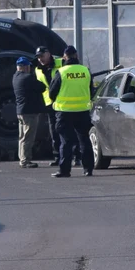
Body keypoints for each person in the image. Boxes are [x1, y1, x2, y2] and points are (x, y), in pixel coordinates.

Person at [47, 46, 95, 178]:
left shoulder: (62, 72)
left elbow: (52, 92)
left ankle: (65, 170)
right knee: (84, 140)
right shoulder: (86, 71)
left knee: (66, 142)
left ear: (64, 57)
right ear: (76, 56)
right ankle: (88, 169)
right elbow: (91, 91)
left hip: (64, 111)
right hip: (83, 110)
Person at [34, 46, 64, 167]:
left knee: (67, 130)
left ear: (49, 54)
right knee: (54, 131)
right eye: (38, 57)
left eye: (42, 55)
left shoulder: (61, 63)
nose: (40, 59)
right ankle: (57, 156)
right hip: (50, 104)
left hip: (63, 102)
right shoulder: (37, 69)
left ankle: (75, 155)